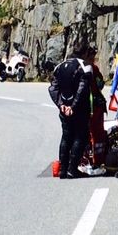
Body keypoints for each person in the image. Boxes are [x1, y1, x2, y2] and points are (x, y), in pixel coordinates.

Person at [48, 44, 94, 179]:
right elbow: (82, 89)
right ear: (85, 53)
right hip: (78, 109)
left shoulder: (60, 66)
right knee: (80, 136)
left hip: (64, 108)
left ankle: (62, 169)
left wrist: (61, 104)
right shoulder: (85, 66)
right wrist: (73, 107)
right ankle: (72, 169)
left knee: (66, 136)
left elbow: (52, 88)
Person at [86, 46, 109, 169]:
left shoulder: (84, 68)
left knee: (92, 134)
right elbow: (100, 84)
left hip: (90, 106)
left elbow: (100, 83)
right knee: (95, 134)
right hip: (94, 105)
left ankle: (93, 159)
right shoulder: (93, 69)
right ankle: (96, 159)